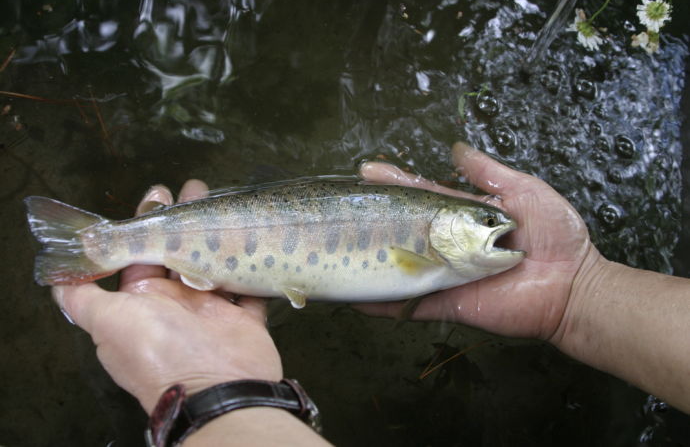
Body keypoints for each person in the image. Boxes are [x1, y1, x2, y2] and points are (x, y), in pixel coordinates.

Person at [52, 142, 690, 445]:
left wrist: (578, 288)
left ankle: (99, 243)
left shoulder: (444, 255)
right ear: (440, 231)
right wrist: (579, 288)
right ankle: (101, 242)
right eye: (488, 225)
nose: (503, 234)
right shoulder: (429, 255)